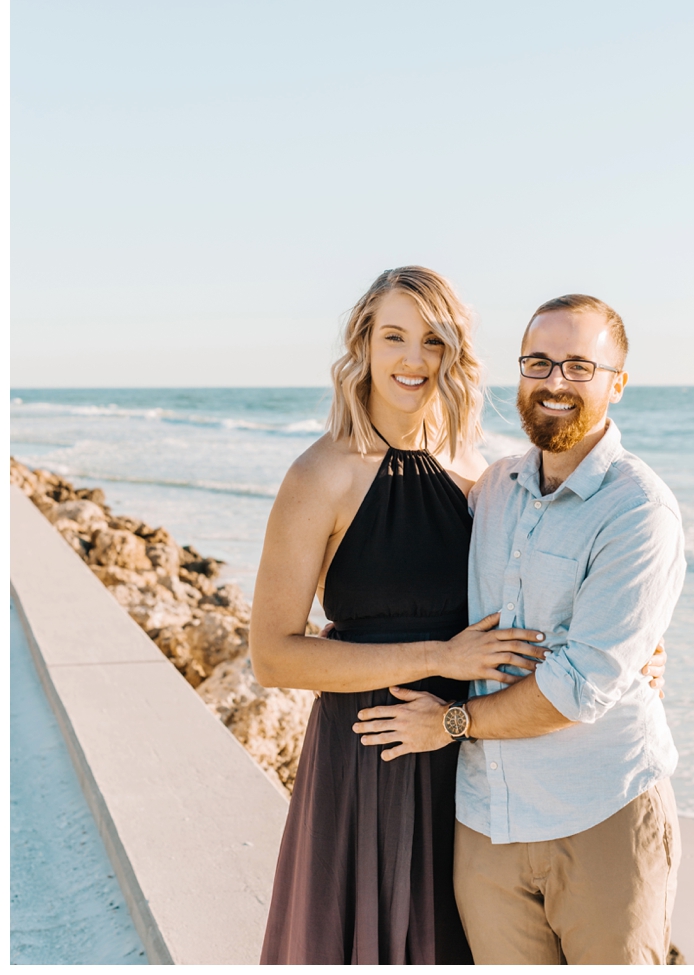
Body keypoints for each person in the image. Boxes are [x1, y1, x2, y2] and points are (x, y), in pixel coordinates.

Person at [250, 273, 668, 965]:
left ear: (455, 355)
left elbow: (557, 588)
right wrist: (439, 657)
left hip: (468, 768)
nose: (413, 358)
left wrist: (644, 642)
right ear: (363, 344)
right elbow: (274, 657)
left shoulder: (484, 476)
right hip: (372, 752)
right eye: (395, 336)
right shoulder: (319, 474)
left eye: (434, 340)